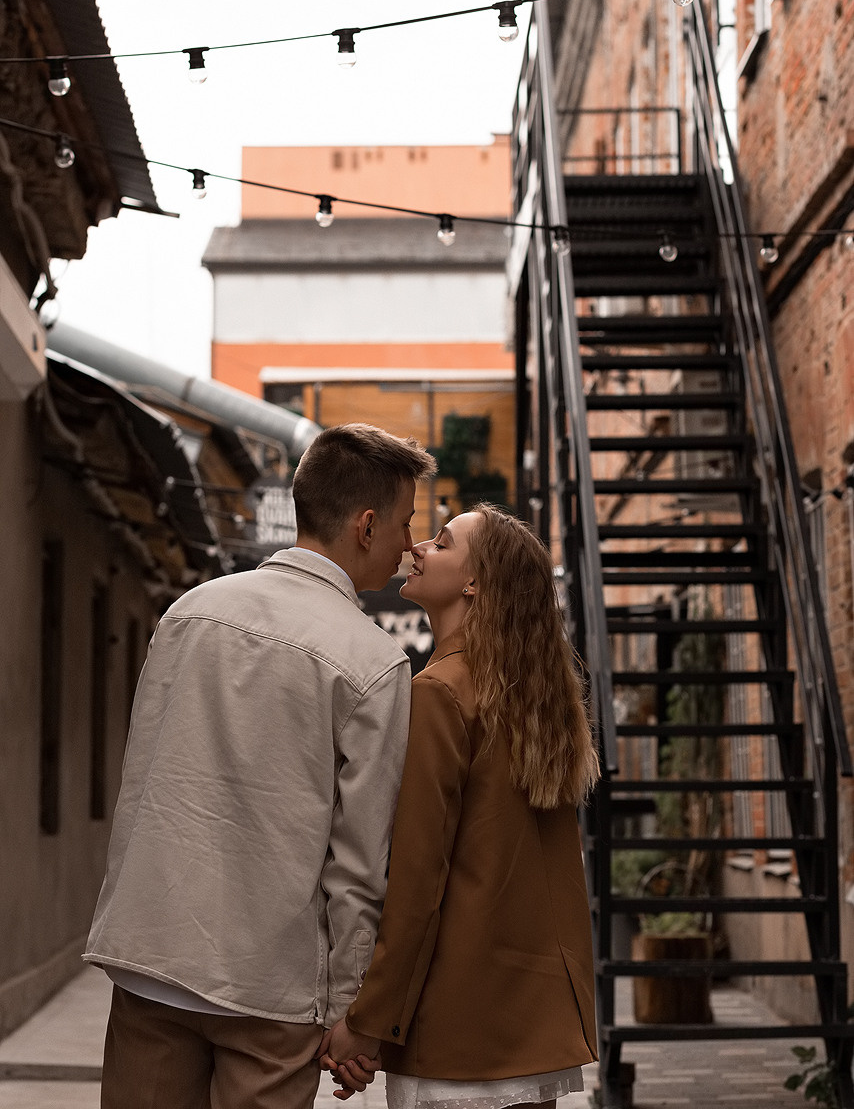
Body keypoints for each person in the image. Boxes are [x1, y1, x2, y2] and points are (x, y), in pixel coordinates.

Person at [84, 423, 436, 1109]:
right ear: (366, 526)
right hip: (267, 984)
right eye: (404, 522)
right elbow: (358, 862)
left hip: (152, 957)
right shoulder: (372, 661)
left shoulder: (189, 612)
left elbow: (147, 782)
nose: (409, 543)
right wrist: (347, 1008)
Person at [320, 503, 600, 1109]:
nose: (418, 547)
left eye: (442, 543)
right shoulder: (534, 696)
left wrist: (367, 1024)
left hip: (457, 1030)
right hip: (532, 1024)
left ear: (474, 582)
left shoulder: (441, 692)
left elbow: (419, 880)